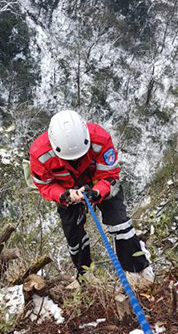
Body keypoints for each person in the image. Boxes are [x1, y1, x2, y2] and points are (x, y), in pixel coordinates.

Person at [29, 110, 154, 289]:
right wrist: (63, 195)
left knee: (120, 224)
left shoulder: (100, 139)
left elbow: (110, 174)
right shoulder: (40, 152)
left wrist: (96, 192)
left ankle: (138, 269)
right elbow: (44, 185)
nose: (76, 159)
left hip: (100, 185)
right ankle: (85, 275)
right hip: (67, 193)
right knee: (74, 237)